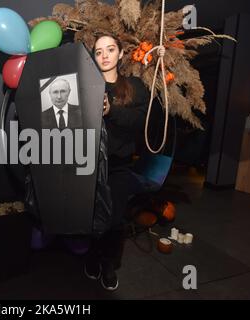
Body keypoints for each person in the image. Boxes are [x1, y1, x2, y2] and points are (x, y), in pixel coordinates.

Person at [84, 35, 165, 291]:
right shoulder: (86, 86)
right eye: (98, 52)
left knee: (115, 219)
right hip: (89, 165)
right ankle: (94, 257)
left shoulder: (134, 87)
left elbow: (141, 121)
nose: (104, 55)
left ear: (120, 54)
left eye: (110, 49)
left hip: (119, 165)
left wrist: (112, 110)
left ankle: (109, 265)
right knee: (91, 217)